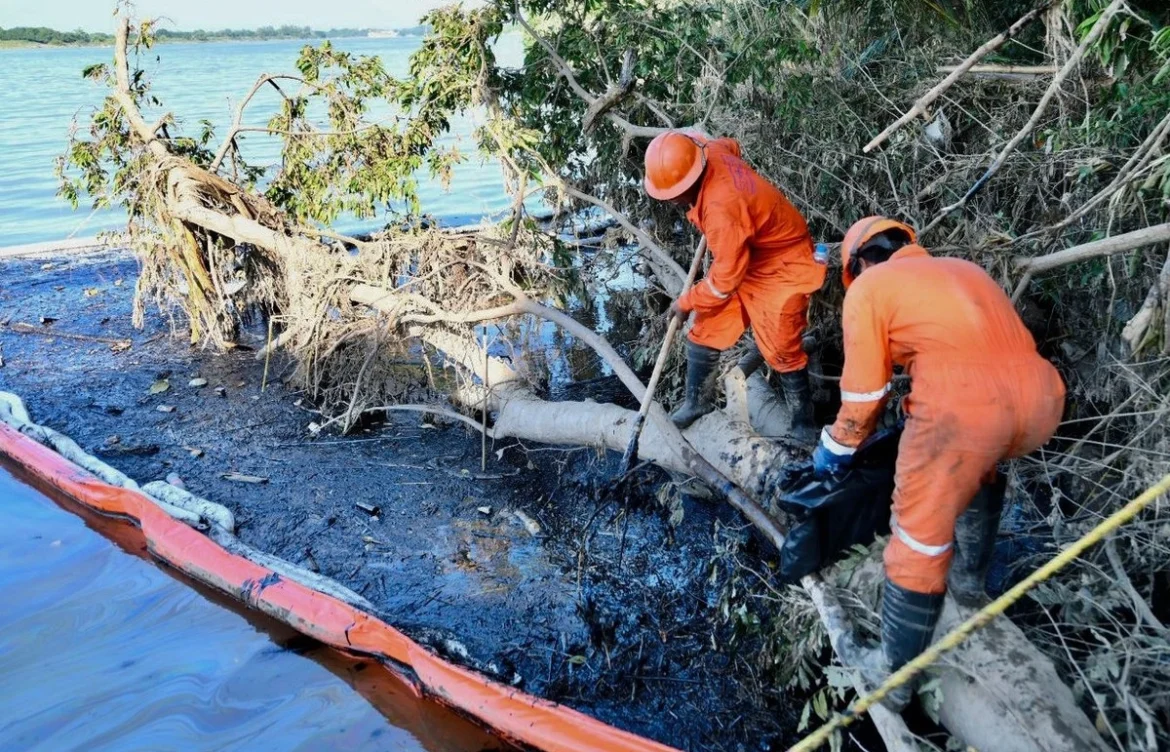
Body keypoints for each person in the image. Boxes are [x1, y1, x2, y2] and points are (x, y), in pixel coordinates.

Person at [811, 216, 1066, 709]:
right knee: (979, 471)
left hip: (963, 411)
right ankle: (968, 585)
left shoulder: (870, 289)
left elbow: (864, 396)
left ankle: (894, 679)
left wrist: (834, 451)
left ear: (859, 264)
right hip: (1042, 400)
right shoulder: (965, 270)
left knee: (917, 538)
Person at [643, 130, 825, 439]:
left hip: (782, 263)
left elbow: (724, 282)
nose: (672, 201)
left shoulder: (721, 210)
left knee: (782, 347)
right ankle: (697, 404)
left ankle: (803, 427)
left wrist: (686, 302)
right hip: (747, 253)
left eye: (673, 195)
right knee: (706, 328)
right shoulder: (708, 148)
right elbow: (733, 146)